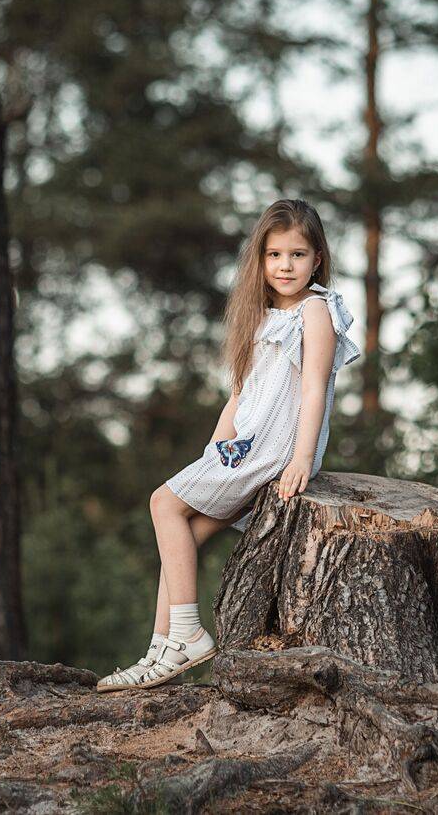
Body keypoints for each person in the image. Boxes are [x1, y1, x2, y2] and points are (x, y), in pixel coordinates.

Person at [96, 198, 362, 693]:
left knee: (162, 503)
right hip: (244, 445)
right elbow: (240, 394)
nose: (287, 265)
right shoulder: (259, 316)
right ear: (260, 260)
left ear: (318, 259)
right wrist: (214, 450)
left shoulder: (316, 311)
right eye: (276, 254)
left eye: (299, 255)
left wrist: (303, 457)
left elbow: (314, 388)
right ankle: (162, 650)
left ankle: (188, 635)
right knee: (184, 535)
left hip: (276, 448)